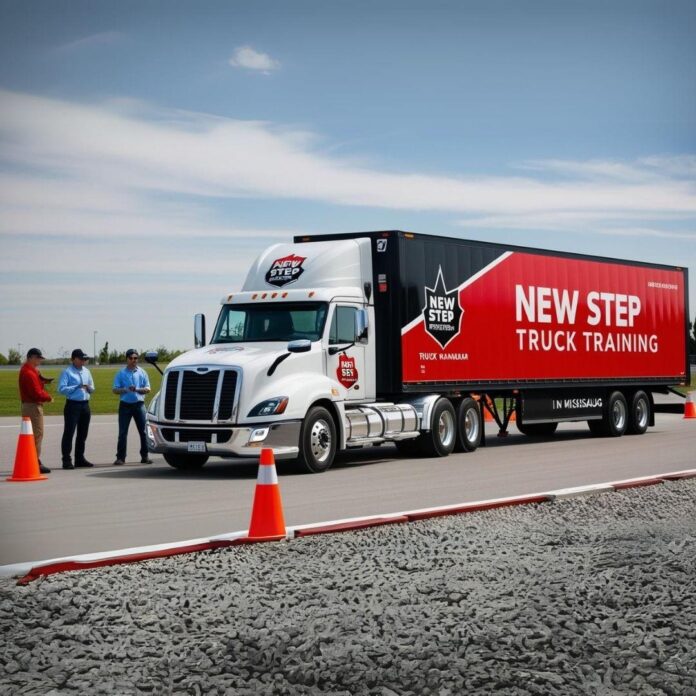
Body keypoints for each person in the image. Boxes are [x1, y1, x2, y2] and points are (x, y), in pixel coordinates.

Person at [112, 349, 153, 466]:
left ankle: (145, 456)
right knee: (122, 432)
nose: (134, 360)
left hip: (139, 405)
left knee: (144, 431)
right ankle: (120, 457)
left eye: (136, 358)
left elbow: (148, 388)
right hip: (125, 406)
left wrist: (138, 389)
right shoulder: (121, 373)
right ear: (127, 359)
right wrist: (125, 389)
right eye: (131, 358)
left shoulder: (142, 372)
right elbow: (114, 389)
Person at [58, 349, 95, 469]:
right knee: (69, 433)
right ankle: (66, 460)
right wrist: (76, 386)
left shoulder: (87, 371)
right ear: (74, 359)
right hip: (72, 405)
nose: (83, 361)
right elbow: (61, 389)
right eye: (81, 359)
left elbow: (92, 388)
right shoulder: (67, 372)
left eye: (84, 359)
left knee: (82, 433)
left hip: (85, 405)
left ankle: (80, 458)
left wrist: (89, 388)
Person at [18, 348, 53, 474]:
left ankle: (33, 460)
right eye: (38, 358)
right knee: (37, 435)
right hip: (33, 407)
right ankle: (34, 461)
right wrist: (48, 397)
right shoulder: (29, 373)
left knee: (33, 436)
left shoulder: (30, 371)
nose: (40, 360)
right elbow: (36, 393)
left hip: (29, 405)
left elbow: (36, 387)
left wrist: (42, 380)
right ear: (31, 357)